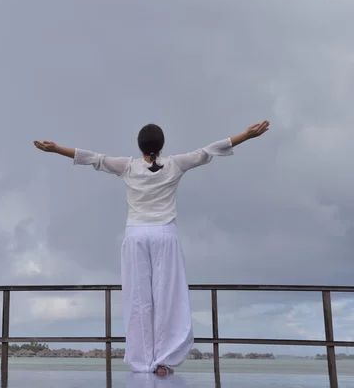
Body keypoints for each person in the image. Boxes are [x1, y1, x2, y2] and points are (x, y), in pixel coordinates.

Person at [33, 120, 270, 376]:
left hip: (136, 235)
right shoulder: (175, 164)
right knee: (168, 295)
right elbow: (207, 151)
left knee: (137, 298)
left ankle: (142, 360)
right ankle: (163, 360)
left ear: (140, 146)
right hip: (164, 234)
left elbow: (94, 158)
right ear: (162, 145)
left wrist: (56, 149)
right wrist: (246, 135)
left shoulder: (128, 166)